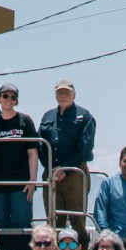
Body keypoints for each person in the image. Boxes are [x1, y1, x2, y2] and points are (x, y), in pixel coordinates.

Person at [0, 84, 40, 247]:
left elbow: (33, 153)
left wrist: (32, 181)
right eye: (5, 96)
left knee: (23, 229)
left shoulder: (25, 121)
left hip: (21, 186)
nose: (9, 100)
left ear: (16, 101)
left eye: (13, 97)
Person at [37, 80, 95, 227]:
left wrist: (65, 169)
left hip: (75, 173)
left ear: (74, 94)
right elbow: (39, 144)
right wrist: (51, 168)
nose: (63, 95)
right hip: (51, 175)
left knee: (77, 221)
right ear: (55, 95)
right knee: (53, 221)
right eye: (60, 92)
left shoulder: (84, 116)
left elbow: (85, 148)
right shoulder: (47, 116)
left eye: (67, 92)